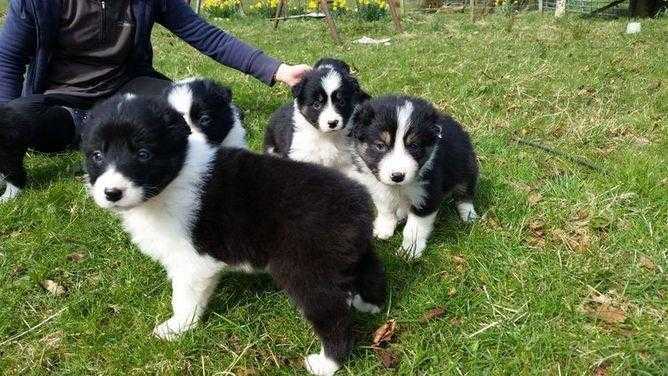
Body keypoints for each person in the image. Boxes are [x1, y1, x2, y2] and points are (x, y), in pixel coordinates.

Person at [0, 0, 310, 150]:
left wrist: (277, 70)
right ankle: (79, 125)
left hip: (126, 86)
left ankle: (107, 124)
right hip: (59, 97)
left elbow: (204, 34)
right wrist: (7, 122)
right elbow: (9, 59)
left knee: (204, 112)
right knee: (32, 130)